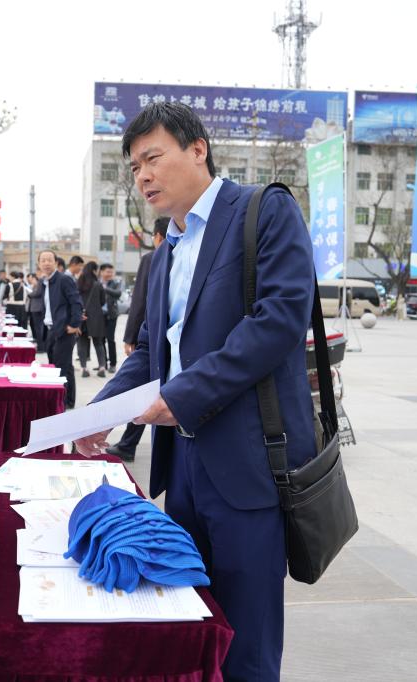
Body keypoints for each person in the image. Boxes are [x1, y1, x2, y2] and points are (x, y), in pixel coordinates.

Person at [74, 102, 317, 681]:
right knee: (191, 626)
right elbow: (150, 352)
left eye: (153, 158)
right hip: (182, 467)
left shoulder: (263, 211)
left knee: (247, 641)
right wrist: (100, 412)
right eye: (135, 167)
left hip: (248, 466)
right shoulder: (166, 252)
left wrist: (183, 396)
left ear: (198, 149)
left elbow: (279, 320)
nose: (143, 176)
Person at [106, 217, 169, 462]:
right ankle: (129, 443)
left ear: (157, 236)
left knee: (144, 391)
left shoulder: (153, 258)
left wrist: (131, 336)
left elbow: (140, 300)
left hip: (150, 338)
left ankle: (128, 445)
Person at [38, 249, 82, 408]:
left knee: (60, 368)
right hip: (51, 329)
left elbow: (76, 302)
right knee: (63, 366)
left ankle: (60, 403)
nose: (46, 263)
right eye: (43, 260)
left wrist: (74, 324)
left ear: (56, 263)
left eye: (49, 260)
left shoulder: (64, 280)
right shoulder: (44, 282)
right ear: (39, 264)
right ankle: (68, 400)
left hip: (64, 330)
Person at [76, 261, 108, 378]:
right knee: (98, 343)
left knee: (82, 343)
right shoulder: (97, 284)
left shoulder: (78, 283)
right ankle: (102, 367)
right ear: (94, 270)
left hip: (82, 316)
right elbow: (103, 301)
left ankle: (84, 368)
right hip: (96, 317)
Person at [99, 263, 122, 373]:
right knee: (101, 340)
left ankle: (113, 364)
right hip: (99, 316)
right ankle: (103, 363)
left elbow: (118, 293)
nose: (110, 274)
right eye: (107, 272)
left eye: (111, 272)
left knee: (110, 339)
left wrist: (105, 288)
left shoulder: (115, 283)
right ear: (101, 272)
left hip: (111, 315)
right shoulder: (97, 282)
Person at [26, 272, 46, 351]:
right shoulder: (38, 283)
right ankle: (40, 346)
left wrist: (29, 294)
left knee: (39, 328)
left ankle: (41, 347)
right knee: (37, 328)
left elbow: (37, 293)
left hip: (37, 308)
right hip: (36, 308)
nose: (31, 281)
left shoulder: (40, 281)